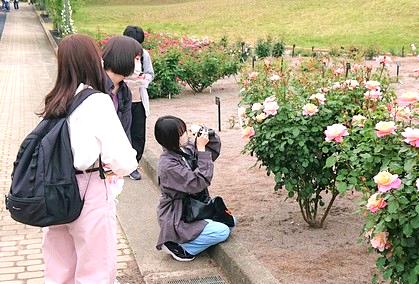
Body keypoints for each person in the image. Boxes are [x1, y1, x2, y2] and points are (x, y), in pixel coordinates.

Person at [40, 34, 138, 283]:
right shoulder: (97, 101)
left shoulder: (54, 100)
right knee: (95, 270)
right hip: (89, 189)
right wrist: (118, 169)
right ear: (92, 60)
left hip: (54, 190)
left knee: (60, 269)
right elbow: (124, 160)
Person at [154, 116, 232, 261]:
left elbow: (212, 150)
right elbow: (199, 182)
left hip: (194, 208)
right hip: (178, 216)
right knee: (223, 231)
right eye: (182, 132)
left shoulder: (183, 149)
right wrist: (201, 149)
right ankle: (179, 247)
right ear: (172, 139)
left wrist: (204, 131)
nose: (186, 134)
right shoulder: (168, 165)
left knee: (231, 221)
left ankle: (191, 238)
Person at [123, 26, 154, 180]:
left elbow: (149, 73)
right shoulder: (119, 54)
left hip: (138, 100)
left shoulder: (144, 55)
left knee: (138, 134)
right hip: (121, 100)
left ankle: (134, 165)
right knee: (123, 132)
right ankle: (122, 164)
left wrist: (143, 80)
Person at [102, 35, 142, 142]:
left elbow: (125, 131)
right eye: (137, 59)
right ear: (123, 57)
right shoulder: (95, 87)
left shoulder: (124, 91)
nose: (139, 65)